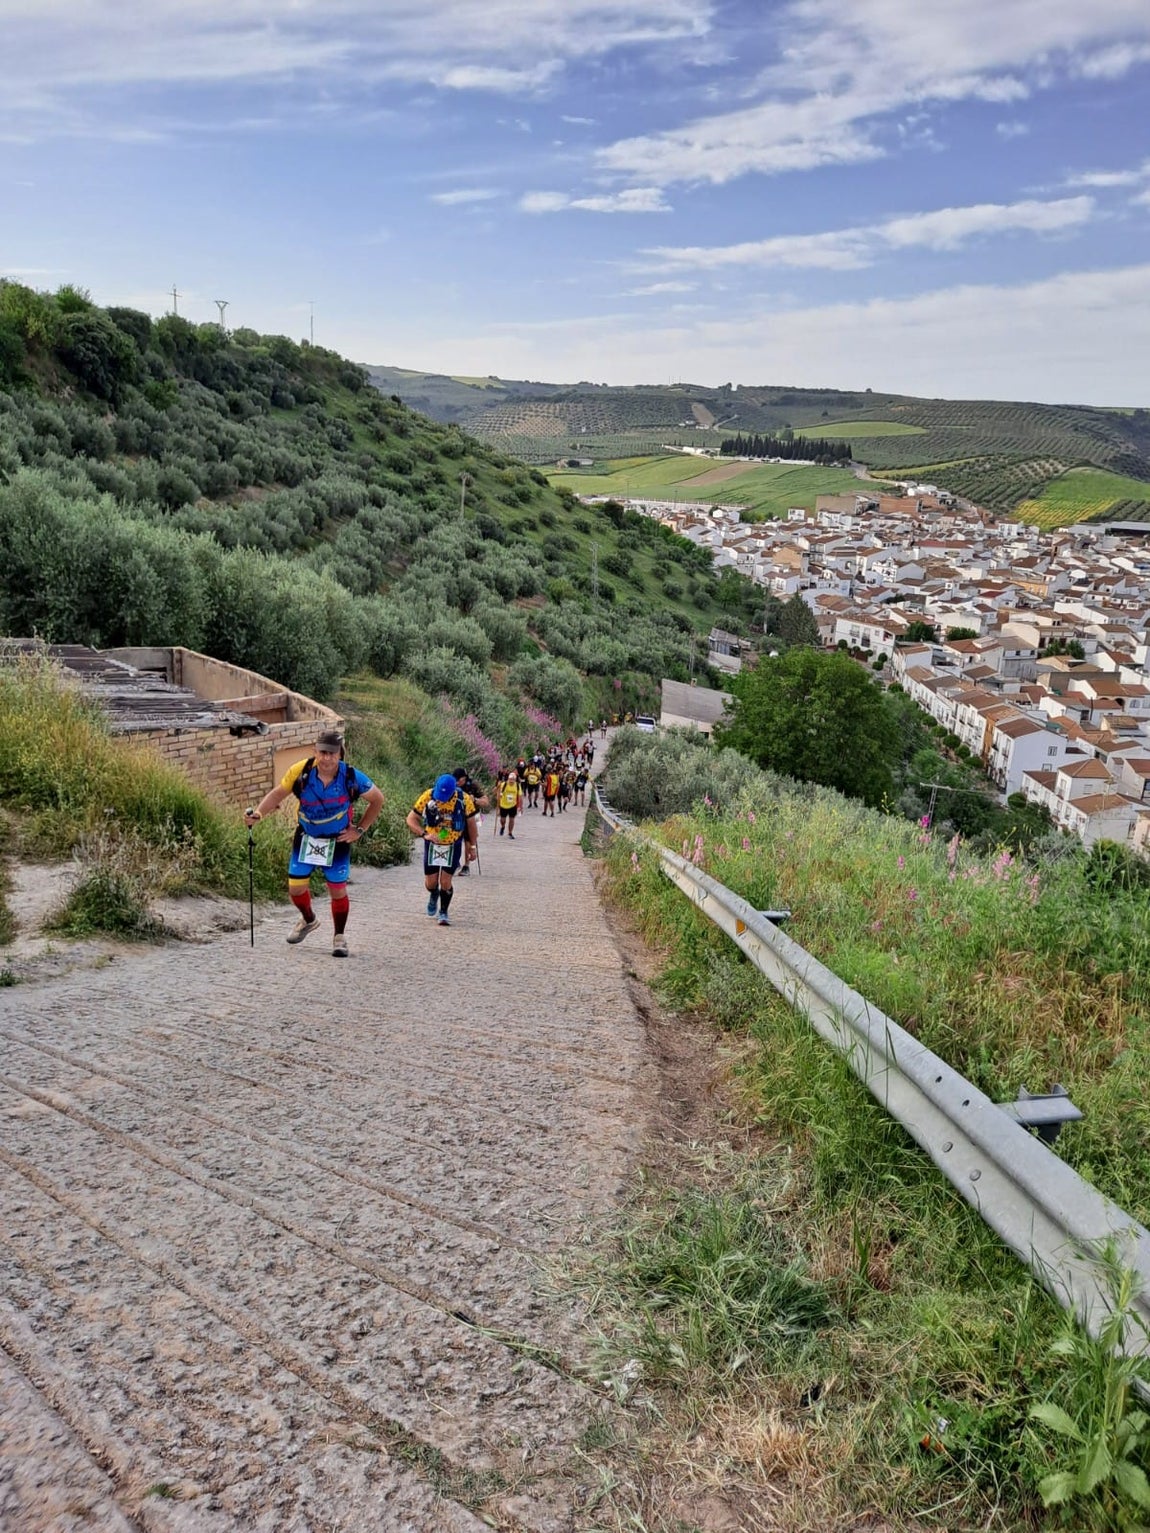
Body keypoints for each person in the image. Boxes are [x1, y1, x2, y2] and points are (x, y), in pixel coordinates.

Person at [243, 728, 384, 958]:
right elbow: (278, 794)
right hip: (306, 836)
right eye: (322, 753)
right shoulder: (301, 771)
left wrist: (359, 830)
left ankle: (339, 937)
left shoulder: (351, 776)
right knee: (295, 888)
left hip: (337, 840)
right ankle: (309, 920)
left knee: (337, 890)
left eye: (332, 753)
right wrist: (258, 813)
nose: (327, 758)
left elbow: (377, 799)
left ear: (340, 754)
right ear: (315, 752)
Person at [406, 773, 478, 926]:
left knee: (446, 881)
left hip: (453, 844)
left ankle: (444, 911)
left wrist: (472, 847)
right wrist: (424, 834)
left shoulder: (464, 799)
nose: (442, 798)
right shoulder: (428, 796)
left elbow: (471, 825)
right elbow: (411, 819)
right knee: (430, 883)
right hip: (432, 844)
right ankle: (434, 893)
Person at [451, 766, 488, 874]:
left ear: (464, 778)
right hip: (455, 817)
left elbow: (486, 801)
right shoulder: (452, 786)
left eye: (459, 779)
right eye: (455, 779)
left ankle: (466, 866)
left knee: (468, 840)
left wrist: (475, 800)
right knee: (451, 839)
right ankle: (454, 862)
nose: (457, 782)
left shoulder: (473, 786)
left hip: (470, 817)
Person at [496, 769, 522, 837]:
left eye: (513, 780)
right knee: (502, 820)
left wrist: (520, 807)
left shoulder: (517, 786)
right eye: (510, 779)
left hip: (513, 805)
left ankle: (510, 832)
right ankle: (503, 826)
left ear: (515, 780)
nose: (511, 781)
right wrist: (498, 787)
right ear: (508, 779)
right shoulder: (503, 784)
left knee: (512, 819)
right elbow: (495, 791)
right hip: (503, 805)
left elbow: (520, 796)